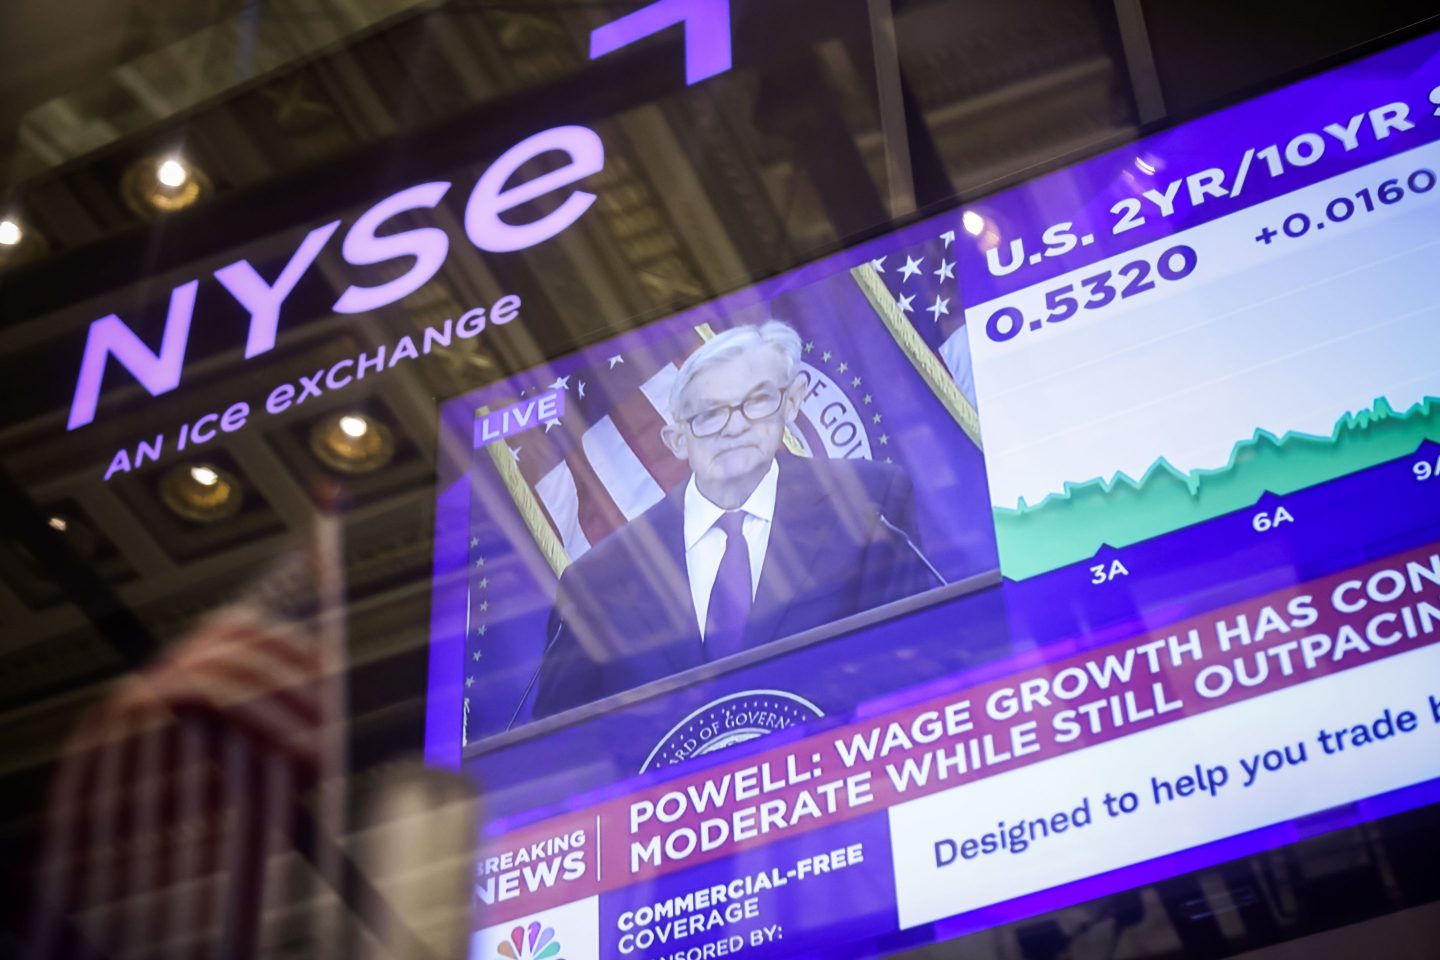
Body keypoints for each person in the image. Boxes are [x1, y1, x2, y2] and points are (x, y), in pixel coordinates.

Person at [531, 321, 939, 719]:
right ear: (676, 440)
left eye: (758, 401)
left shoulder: (868, 503)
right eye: (709, 415)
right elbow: (562, 748)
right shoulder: (599, 580)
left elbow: (914, 663)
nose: (735, 425)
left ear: (792, 402)